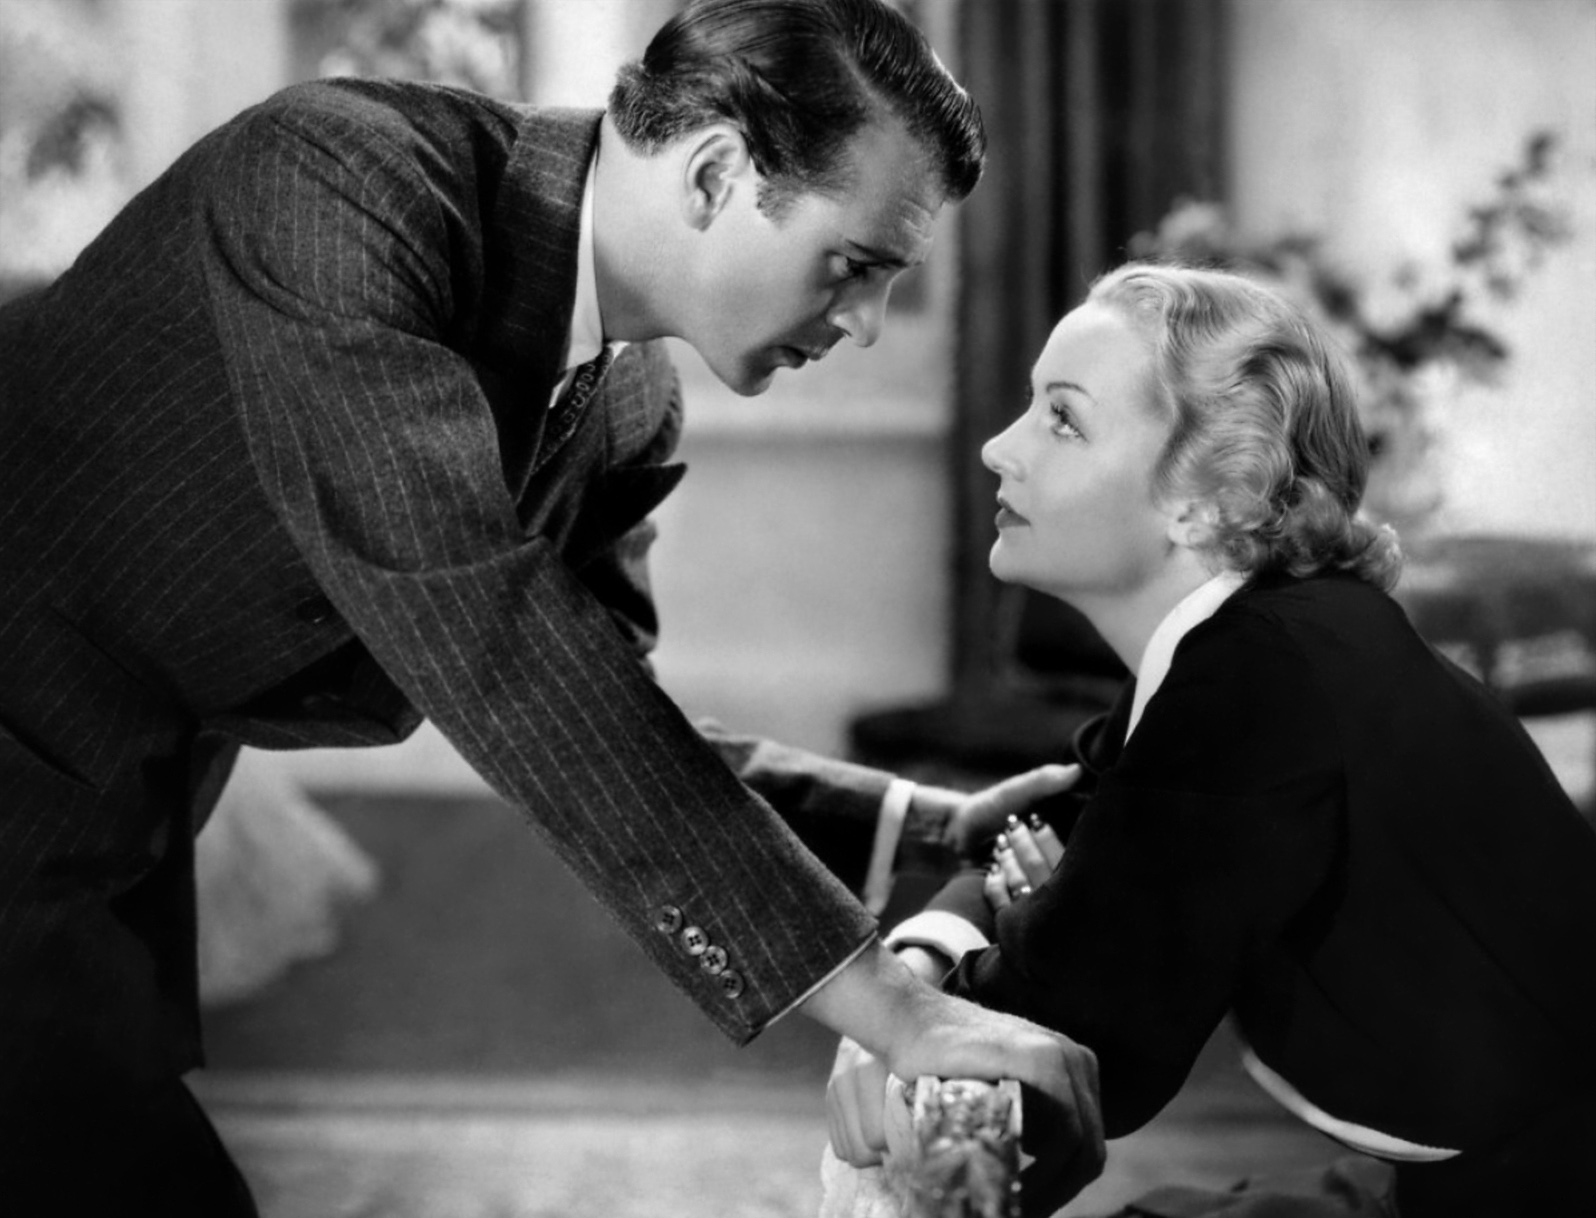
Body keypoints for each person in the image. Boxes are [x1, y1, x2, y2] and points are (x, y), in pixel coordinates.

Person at [0, 0, 1104, 1210]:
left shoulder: (629, 405)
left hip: (112, 795)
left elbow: (601, 718)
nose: (866, 325)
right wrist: (893, 1008)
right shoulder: (334, 180)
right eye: (856, 266)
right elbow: (494, 634)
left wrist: (929, 825)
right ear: (715, 173)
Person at [826, 261, 1596, 1217]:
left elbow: (1077, 1039)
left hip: (1540, 1191)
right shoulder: (1258, 640)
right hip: (1483, 1178)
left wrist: (945, 989)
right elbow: (1046, 833)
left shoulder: (1261, 677)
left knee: (945, 1154)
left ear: (1206, 500)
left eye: (1061, 419)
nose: (997, 447)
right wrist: (931, 961)